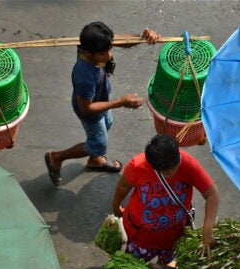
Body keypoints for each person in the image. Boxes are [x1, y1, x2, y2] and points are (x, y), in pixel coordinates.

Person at [44, 22, 160, 185]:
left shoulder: (92, 44)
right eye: (102, 54)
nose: (109, 56)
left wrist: (143, 36)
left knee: (108, 123)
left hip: (101, 99)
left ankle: (94, 160)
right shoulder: (84, 76)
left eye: (109, 50)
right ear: (87, 52)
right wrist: (120, 102)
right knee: (98, 143)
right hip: (91, 110)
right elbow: (87, 108)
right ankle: (56, 157)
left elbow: (122, 41)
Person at [112, 134, 219, 265]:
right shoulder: (137, 166)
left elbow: (212, 195)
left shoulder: (189, 165)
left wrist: (207, 230)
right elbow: (123, 186)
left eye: (174, 167)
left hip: (173, 238)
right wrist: (116, 205)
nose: (171, 173)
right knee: (132, 267)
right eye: (165, 171)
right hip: (140, 236)